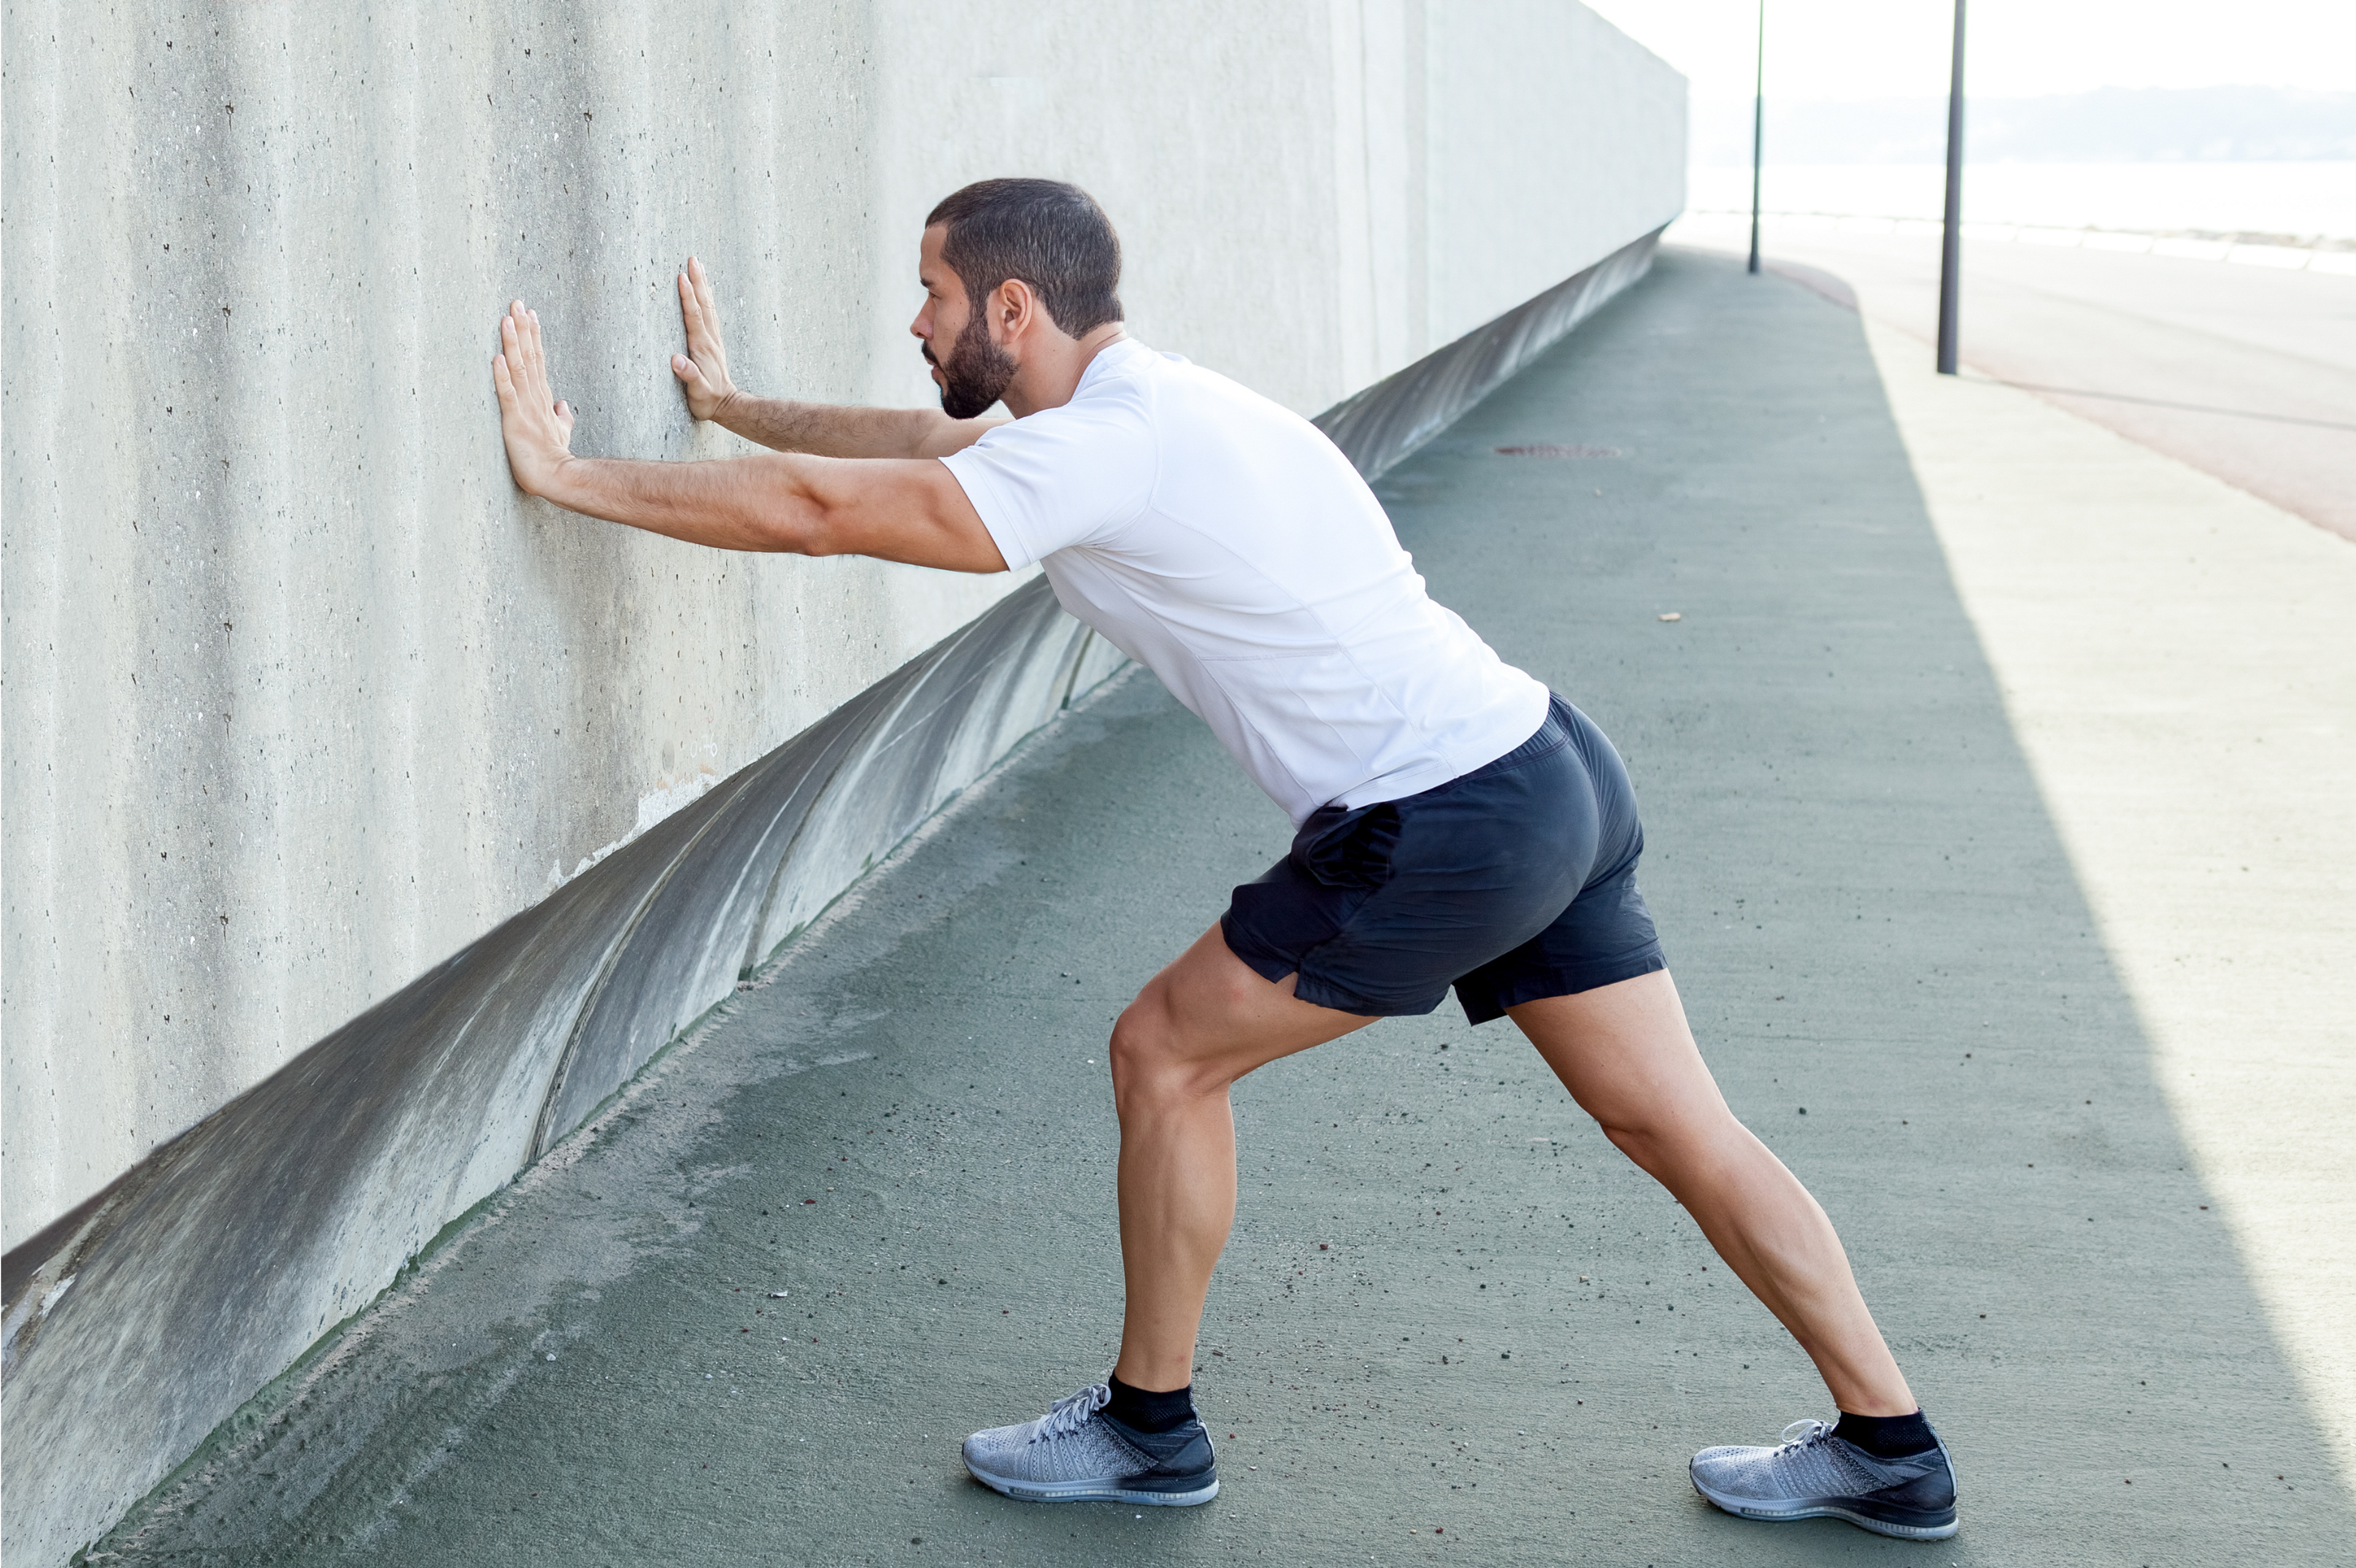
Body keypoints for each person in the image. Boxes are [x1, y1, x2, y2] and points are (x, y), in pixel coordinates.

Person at [492, 177, 1960, 1542]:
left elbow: (831, 523)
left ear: (1015, 312)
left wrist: (567, 479)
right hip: (1547, 765)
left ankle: (1148, 1428)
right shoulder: (1157, 411)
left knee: (1166, 1058)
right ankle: (1892, 1449)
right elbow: (914, 448)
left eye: (932, 296)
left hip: (1440, 816)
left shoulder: (1108, 447)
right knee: (1676, 1127)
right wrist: (737, 410)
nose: (917, 324)